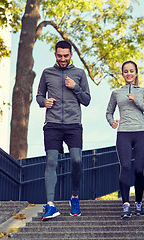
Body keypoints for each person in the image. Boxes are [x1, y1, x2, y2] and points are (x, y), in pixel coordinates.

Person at [36, 40, 91, 220]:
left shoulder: (80, 74)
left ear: (71, 55)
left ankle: (74, 197)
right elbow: (39, 96)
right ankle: (50, 205)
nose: (62, 59)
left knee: (76, 160)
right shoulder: (47, 73)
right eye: (59, 56)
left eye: (66, 56)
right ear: (55, 55)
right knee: (51, 162)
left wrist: (75, 87)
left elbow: (87, 100)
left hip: (73, 124)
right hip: (52, 124)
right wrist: (44, 102)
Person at [106, 61, 144, 219]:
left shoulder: (143, 91)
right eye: (125, 71)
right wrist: (111, 121)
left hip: (141, 133)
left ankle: (138, 203)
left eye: (131, 71)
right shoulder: (116, 93)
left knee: (139, 170)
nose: (128, 74)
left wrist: (136, 100)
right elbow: (108, 112)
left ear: (136, 73)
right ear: (122, 74)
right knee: (125, 167)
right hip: (124, 134)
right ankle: (126, 204)